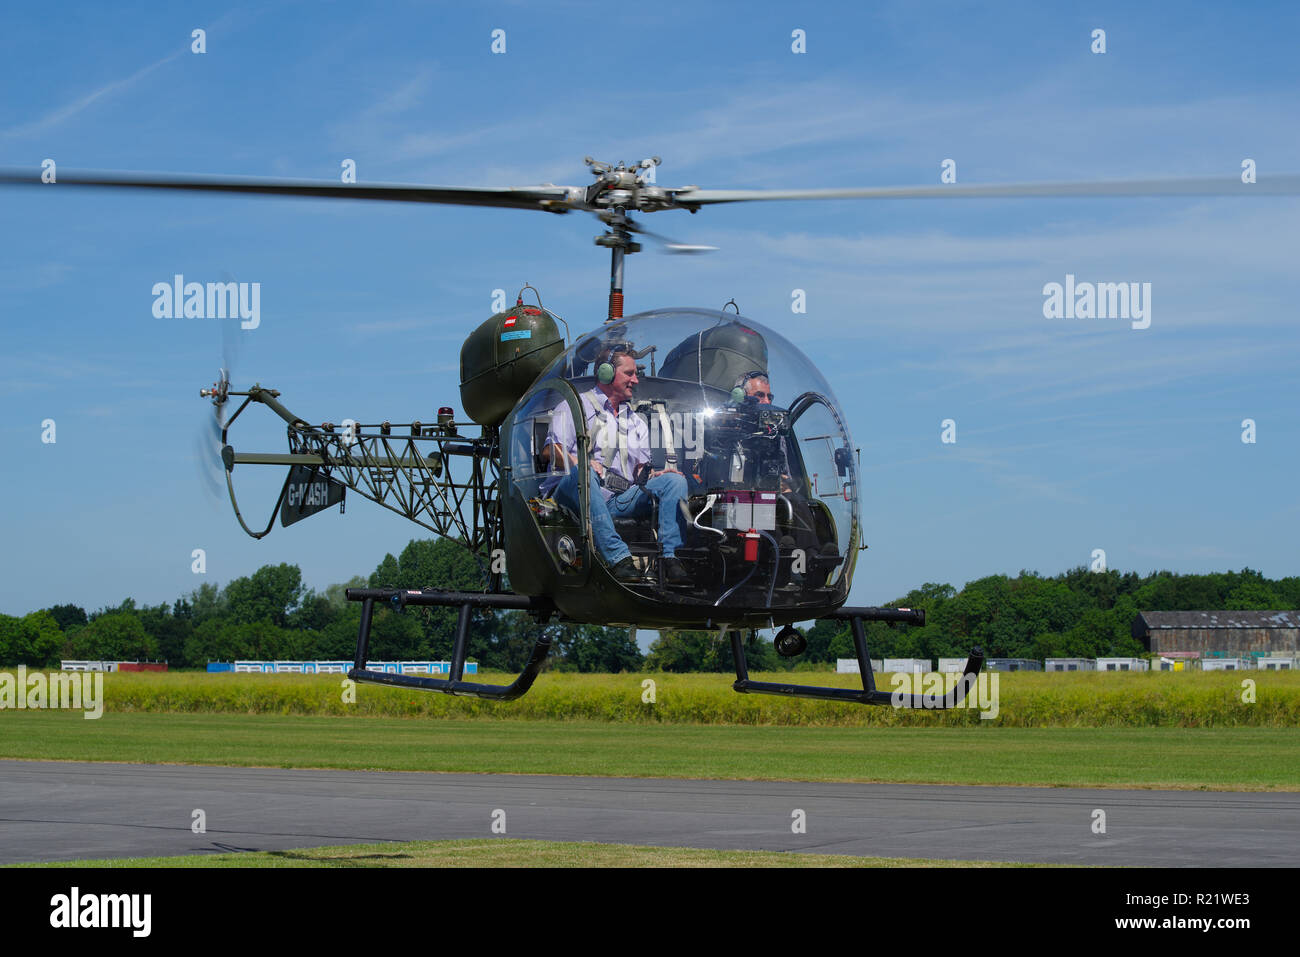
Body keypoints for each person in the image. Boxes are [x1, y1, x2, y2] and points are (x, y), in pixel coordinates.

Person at [541, 344, 690, 584]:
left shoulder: (636, 422)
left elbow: (639, 473)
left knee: (674, 480)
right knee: (585, 474)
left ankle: (670, 558)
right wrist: (580, 461)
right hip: (573, 493)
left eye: (635, 374)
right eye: (629, 374)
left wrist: (656, 476)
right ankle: (619, 558)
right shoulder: (573, 407)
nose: (636, 380)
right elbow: (550, 451)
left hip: (616, 498)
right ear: (606, 373)